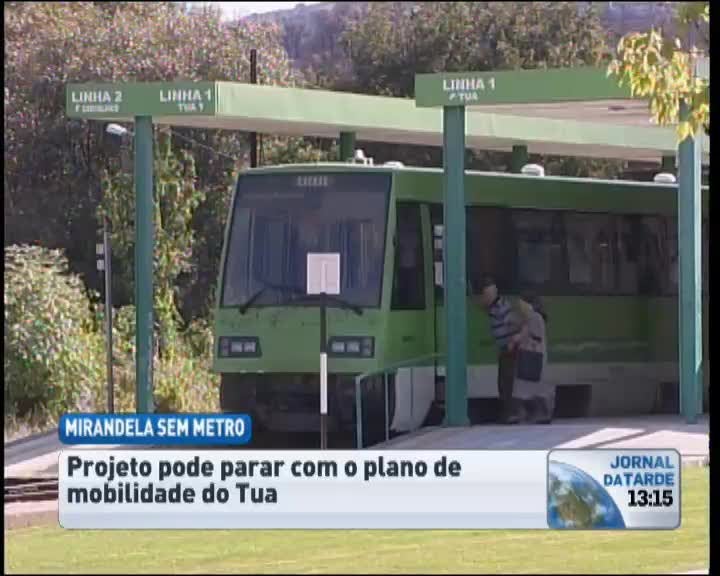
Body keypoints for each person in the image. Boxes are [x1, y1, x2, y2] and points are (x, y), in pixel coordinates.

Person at [478, 276, 529, 424]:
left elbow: (517, 323)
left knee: (508, 383)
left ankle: (514, 414)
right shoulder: (493, 307)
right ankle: (510, 413)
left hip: (510, 350)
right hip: (504, 350)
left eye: (488, 294)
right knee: (504, 382)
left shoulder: (502, 307)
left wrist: (514, 340)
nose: (486, 298)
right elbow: (482, 306)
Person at [514, 293, 553, 424]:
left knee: (528, 387)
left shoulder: (534, 317)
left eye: (521, 303)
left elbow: (535, 336)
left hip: (532, 357)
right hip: (534, 356)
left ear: (528, 304)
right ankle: (536, 414)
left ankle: (539, 414)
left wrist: (520, 338)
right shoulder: (532, 317)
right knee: (530, 387)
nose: (519, 306)